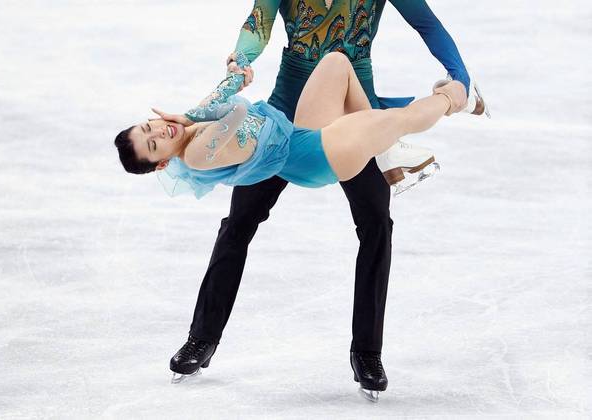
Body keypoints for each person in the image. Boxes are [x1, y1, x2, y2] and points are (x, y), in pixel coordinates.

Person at [144, 0, 483, 401]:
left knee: (377, 225)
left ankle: (367, 353)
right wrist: (241, 61)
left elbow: (425, 21)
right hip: (282, 124)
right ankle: (201, 339)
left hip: (350, 116)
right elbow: (258, 23)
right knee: (238, 223)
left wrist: (459, 76)